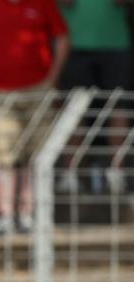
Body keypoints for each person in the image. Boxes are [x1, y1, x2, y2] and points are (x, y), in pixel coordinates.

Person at [0, 0, 69, 235]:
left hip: (39, 89)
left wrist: (52, 80)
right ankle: (5, 216)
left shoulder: (43, 3)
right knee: (3, 153)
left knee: (37, 155)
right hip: (0, 91)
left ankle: (29, 214)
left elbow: (62, 38)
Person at [58, 0, 133, 193]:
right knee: (73, 110)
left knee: (118, 106)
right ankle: (70, 173)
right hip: (72, 43)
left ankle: (117, 172)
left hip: (115, 43)